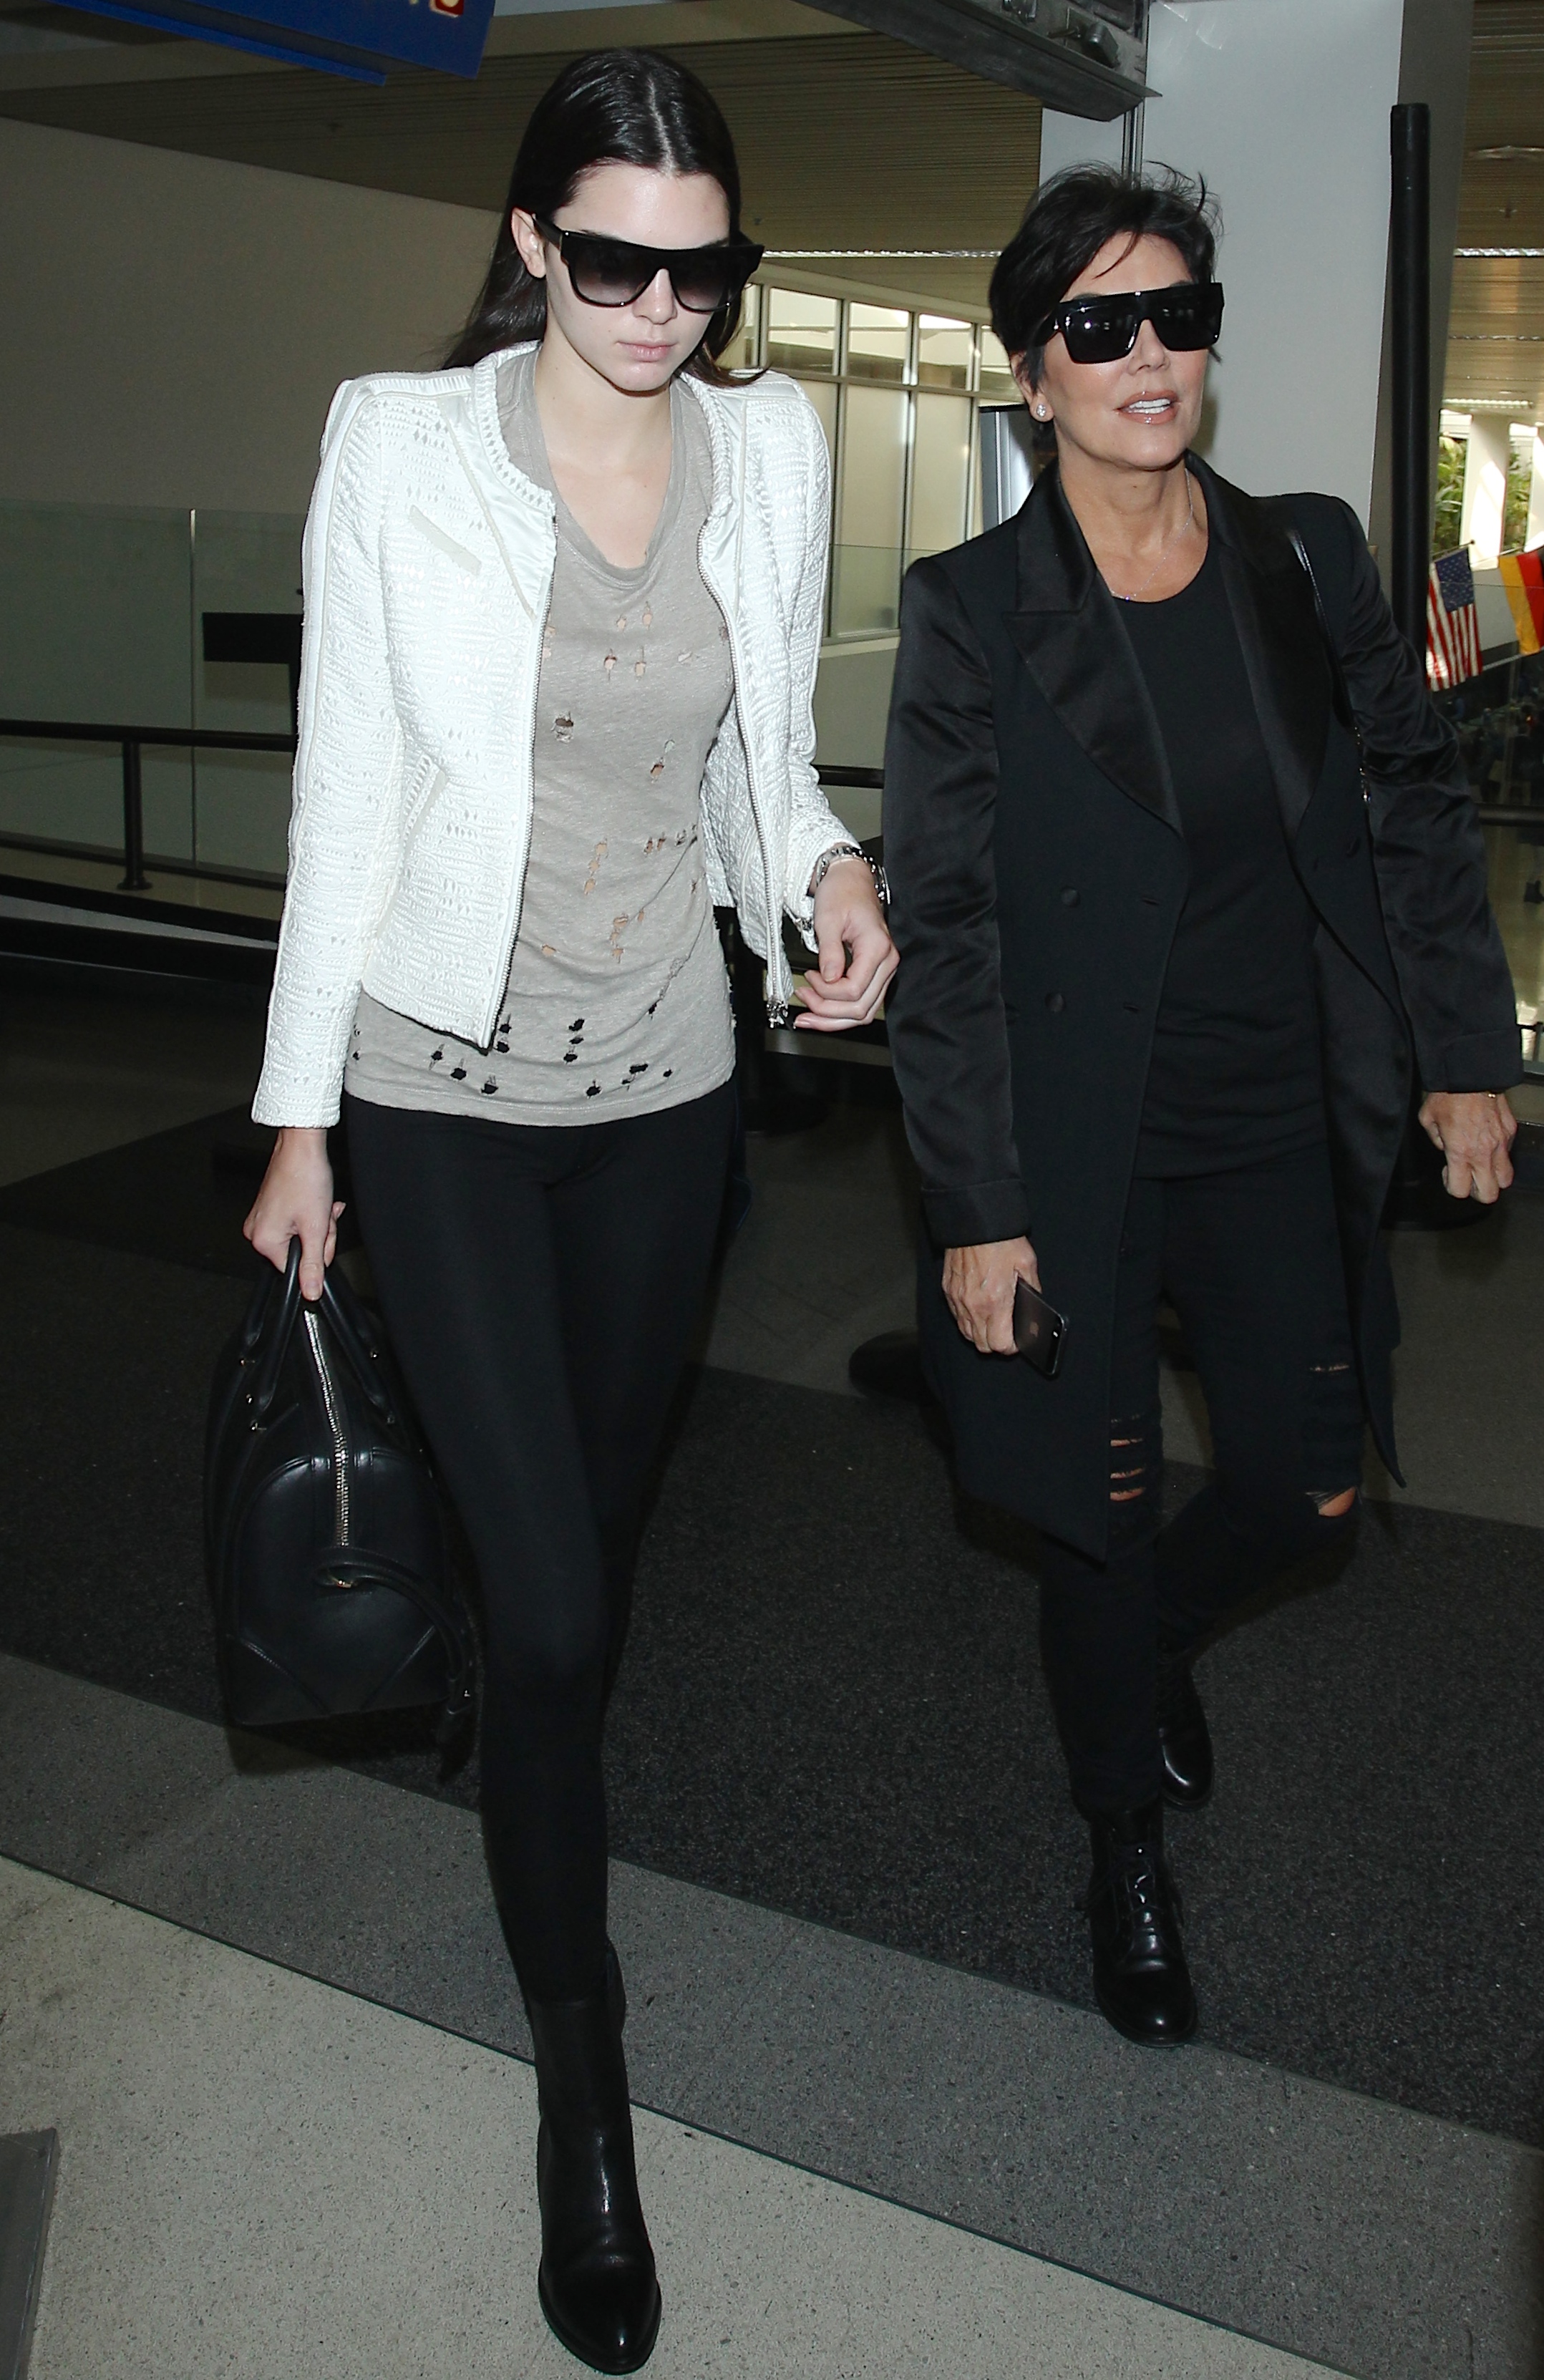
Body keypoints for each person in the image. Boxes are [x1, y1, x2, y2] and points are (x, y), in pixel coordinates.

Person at [243, 50, 895, 2374]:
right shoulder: (400, 444)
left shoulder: (774, 447)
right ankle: (584, 2092)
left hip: (671, 1104)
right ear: (530, 241)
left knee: (582, 1591)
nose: (658, 310)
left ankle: (521, 1700)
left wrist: (827, 874)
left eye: (703, 271)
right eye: (612, 262)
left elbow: (763, 759)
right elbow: (347, 793)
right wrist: (298, 1124)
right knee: (542, 1609)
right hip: (438, 1089)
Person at [881, 166, 1518, 2051]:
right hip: (1075, 1147)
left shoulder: (1304, 559)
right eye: (1101, 325)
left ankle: (1139, 1644)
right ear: (1034, 372)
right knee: (1094, 1509)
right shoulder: (973, 610)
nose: (1148, 354)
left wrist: (1466, 1058)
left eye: (1178, 315)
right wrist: (979, 1205)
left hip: (1273, 1118)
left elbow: (1413, 806)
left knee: (1305, 1491)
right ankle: (1122, 1847)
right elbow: (948, 921)